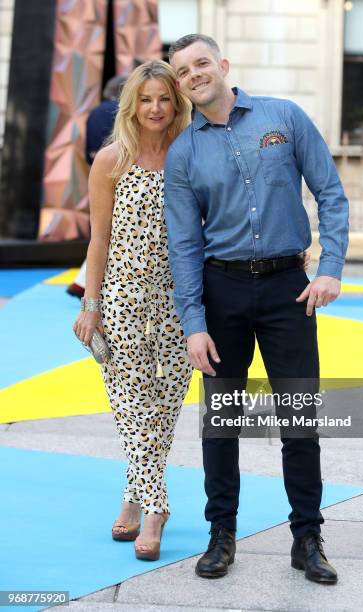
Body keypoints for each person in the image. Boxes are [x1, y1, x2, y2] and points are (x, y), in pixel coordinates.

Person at [164, 34, 349, 584]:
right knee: (221, 423)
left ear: (222, 65)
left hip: (287, 290)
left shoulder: (283, 117)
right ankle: (221, 535)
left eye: (201, 63)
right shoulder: (183, 153)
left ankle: (307, 539)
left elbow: (330, 192)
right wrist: (194, 325)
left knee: (299, 420)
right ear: (179, 84)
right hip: (221, 295)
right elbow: (184, 246)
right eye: (182, 71)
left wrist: (331, 266)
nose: (194, 74)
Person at [72, 60, 192, 560]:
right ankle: (157, 508)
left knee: (164, 405)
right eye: (146, 99)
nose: (156, 108)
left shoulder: (192, 153)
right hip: (122, 298)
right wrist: (91, 305)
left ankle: (132, 495)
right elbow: (98, 239)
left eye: (164, 98)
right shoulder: (110, 160)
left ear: (176, 102)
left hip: (181, 300)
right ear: (131, 104)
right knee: (131, 403)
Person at [68, 75, 126, 299]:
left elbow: (86, 151)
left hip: (97, 172)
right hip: (120, 171)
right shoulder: (118, 112)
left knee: (99, 231)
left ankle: (82, 284)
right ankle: (84, 284)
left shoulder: (93, 114)